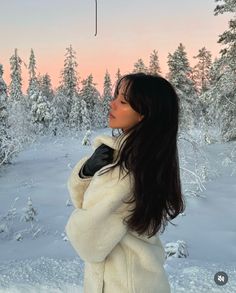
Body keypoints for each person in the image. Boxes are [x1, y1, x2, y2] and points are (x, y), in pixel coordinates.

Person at [65, 72, 185, 293]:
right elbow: (89, 201)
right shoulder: (147, 160)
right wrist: (88, 170)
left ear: (143, 115)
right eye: (116, 97)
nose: (112, 104)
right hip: (141, 280)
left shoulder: (124, 171)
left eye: (123, 101)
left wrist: (77, 222)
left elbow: (89, 243)